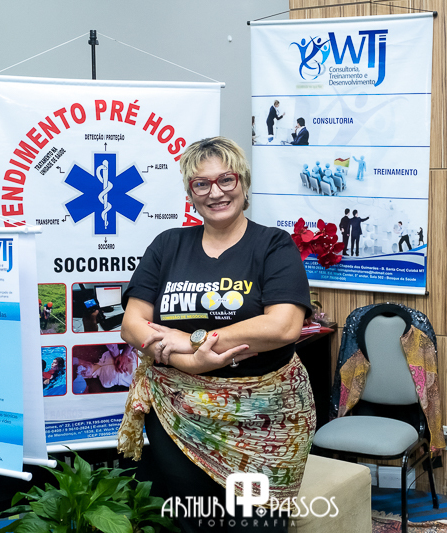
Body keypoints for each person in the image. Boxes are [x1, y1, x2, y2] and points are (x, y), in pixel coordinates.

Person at [118, 137, 315, 533]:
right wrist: (190, 362)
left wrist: (193, 339)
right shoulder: (168, 245)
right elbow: (132, 324)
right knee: (193, 522)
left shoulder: (273, 244)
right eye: (201, 183)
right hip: (177, 413)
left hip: (264, 419)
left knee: (256, 525)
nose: (216, 192)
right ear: (190, 193)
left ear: (243, 182)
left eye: (226, 179)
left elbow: (283, 326)